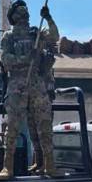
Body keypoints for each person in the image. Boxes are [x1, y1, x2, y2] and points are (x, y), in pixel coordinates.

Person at [0, 0, 60, 181]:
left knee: (44, 124)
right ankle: (7, 166)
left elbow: (55, 37)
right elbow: (6, 60)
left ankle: (49, 163)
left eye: (25, 13)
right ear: (13, 16)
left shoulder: (36, 34)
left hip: (37, 84)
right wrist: (26, 57)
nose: (24, 16)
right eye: (20, 13)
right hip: (18, 85)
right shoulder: (8, 37)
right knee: (13, 126)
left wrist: (48, 18)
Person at [27, 39, 57, 174]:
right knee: (34, 135)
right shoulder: (30, 54)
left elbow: (47, 66)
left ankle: (47, 164)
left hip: (44, 99)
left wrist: (38, 55)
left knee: (44, 134)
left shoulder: (45, 56)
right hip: (31, 99)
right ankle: (38, 162)